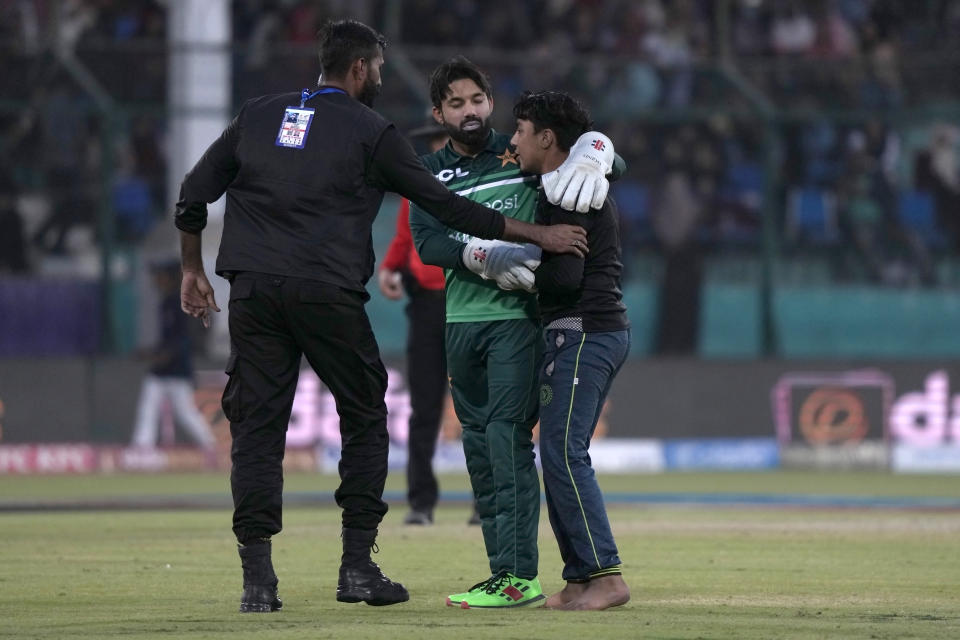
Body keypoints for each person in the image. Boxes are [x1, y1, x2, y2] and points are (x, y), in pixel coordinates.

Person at [174, 20, 600, 614]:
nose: (378, 77)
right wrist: (536, 233)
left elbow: (193, 193)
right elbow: (441, 204)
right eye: (376, 68)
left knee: (256, 428)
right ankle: (356, 567)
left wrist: (191, 268)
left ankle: (258, 581)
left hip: (251, 290)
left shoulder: (257, 114)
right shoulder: (371, 131)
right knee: (365, 414)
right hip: (325, 292)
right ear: (359, 69)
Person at [409, 56, 621, 609]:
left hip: (515, 324)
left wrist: (601, 148)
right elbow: (427, 245)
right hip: (460, 322)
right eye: (456, 103)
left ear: (491, 103)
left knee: (508, 443)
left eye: (477, 99)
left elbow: (587, 169)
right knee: (480, 451)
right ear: (440, 112)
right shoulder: (428, 170)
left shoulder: (520, 151)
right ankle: (505, 571)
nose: (471, 110)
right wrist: (478, 253)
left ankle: (520, 576)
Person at [510, 90, 631, 611]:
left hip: (583, 328)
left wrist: (512, 261)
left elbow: (564, 275)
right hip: (578, 330)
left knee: (563, 451)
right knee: (557, 452)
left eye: (520, 130)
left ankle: (605, 576)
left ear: (546, 138)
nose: (512, 140)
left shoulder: (572, 191)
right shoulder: (563, 181)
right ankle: (581, 578)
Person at [376, 122, 452, 526]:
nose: (440, 148)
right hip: (426, 306)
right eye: (436, 142)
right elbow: (405, 238)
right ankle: (421, 503)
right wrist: (389, 268)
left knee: (481, 412)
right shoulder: (417, 190)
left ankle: (487, 504)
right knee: (424, 409)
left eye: (446, 141)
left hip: (469, 303)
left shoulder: (480, 186)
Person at [130, 258, 218, 452]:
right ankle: (142, 449)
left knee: (186, 412)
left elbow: (187, 339)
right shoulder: (166, 303)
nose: (156, 281)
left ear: (171, 278)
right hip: (161, 370)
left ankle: (211, 448)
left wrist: (167, 354)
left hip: (178, 369)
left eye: (160, 277)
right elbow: (167, 339)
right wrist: (153, 353)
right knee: (148, 407)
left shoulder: (185, 303)